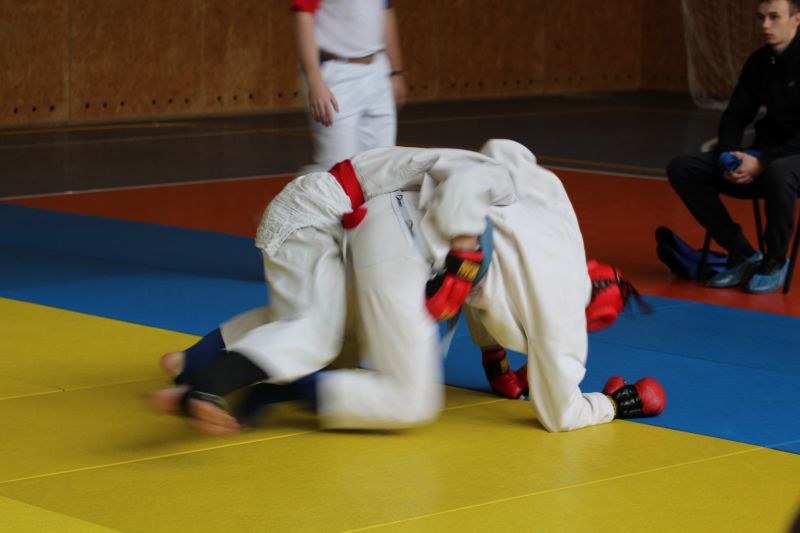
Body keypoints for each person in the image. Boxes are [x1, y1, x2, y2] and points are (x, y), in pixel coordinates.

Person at [152, 140, 666, 435]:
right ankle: (247, 389)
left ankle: (197, 362)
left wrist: (494, 359)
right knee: (388, 385)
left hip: (374, 215)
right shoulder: (563, 322)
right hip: (369, 229)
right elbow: (559, 412)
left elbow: (502, 155)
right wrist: (616, 403)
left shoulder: (556, 217)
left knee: (337, 333)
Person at [666, 0, 800, 293]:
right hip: (765, 156)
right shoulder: (759, 62)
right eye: (761, 18)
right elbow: (736, 115)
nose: (765, 25)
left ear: (796, 19)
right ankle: (744, 253)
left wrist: (763, 161)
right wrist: (727, 152)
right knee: (683, 168)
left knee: (778, 171)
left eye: (774, 17)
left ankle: (775, 260)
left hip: (791, 162)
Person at [293, 0, 406, 171]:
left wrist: (395, 71)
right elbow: (303, 15)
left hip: (378, 69)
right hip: (336, 72)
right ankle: (303, 188)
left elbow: (386, 10)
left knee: (382, 167)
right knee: (337, 168)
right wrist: (315, 81)